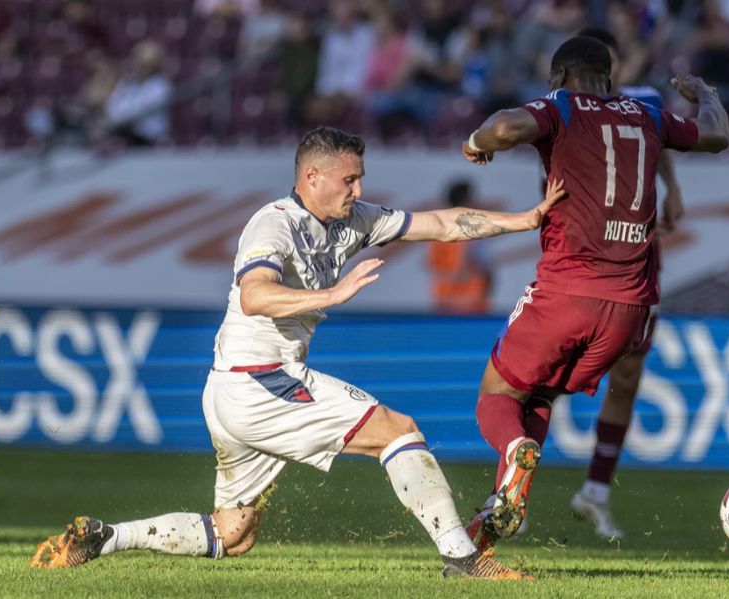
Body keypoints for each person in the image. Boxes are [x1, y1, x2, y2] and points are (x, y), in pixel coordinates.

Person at [29, 126, 567, 579]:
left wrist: (522, 221)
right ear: (312, 177)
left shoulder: (353, 221)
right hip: (258, 380)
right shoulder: (274, 223)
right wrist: (331, 295)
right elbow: (254, 293)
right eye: (349, 178)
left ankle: (105, 538)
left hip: (232, 389)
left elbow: (438, 223)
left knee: (232, 534)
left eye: (360, 177)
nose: (359, 188)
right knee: (398, 430)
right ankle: (463, 558)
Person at [458, 35, 729, 551]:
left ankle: (514, 450)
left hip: (567, 290)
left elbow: (503, 127)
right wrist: (706, 94)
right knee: (537, 394)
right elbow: (716, 135)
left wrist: (475, 144)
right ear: (609, 76)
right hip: (629, 310)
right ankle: (498, 514)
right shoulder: (647, 114)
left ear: (560, 77)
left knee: (497, 394)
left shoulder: (560, 106)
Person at [563, 26, 686, 539]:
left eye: (606, 67)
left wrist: (672, 189)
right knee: (546, 369)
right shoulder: (560, 109)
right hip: (579, 258)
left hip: (637, 259)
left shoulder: (644, 103)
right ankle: (509, 490)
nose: (601, 78)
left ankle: (595, 492)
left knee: (630, 374)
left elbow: (663, 147)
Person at [427, 179, 494, 314]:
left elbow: (433, 267)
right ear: (466, 203)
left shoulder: (437, 232)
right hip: (470, 303)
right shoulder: (473, 233)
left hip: (445, 301)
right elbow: (480, 269)